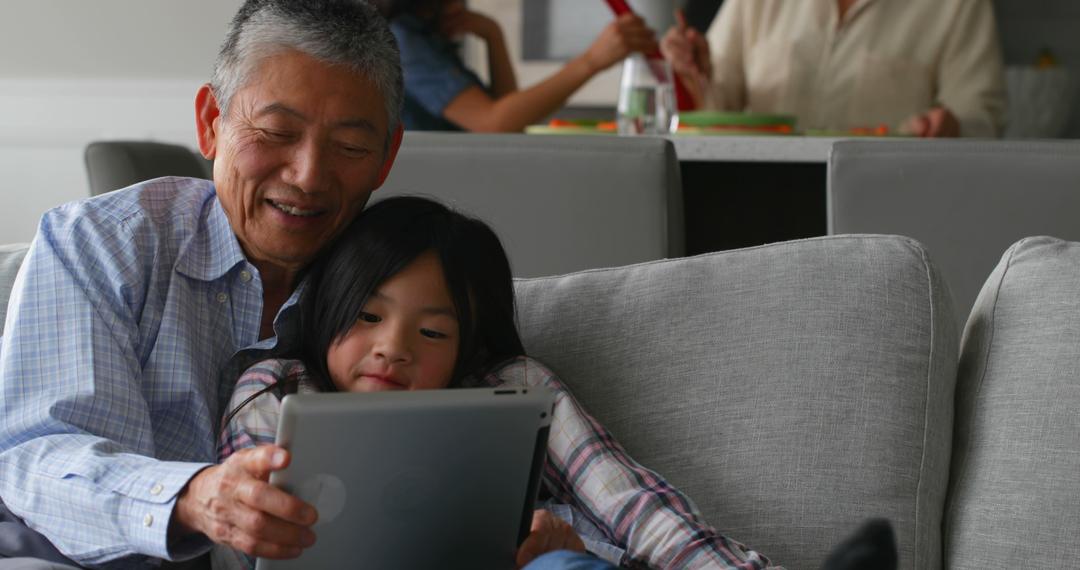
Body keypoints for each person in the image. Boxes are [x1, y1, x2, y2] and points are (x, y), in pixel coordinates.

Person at [0, 0, 405, 567]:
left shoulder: (404, 283)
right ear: (211, 123)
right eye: (277, 132)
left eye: (350, 148)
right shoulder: (98, 242)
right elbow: (40, 453)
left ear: (387, 157)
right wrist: (191, 499)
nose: (309, 175)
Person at [211, 196, 776, 570]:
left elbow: (633, 504)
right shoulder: (277, 391)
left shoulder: (514, 387)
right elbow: (253, 543)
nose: (394, 348)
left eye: (432, 332)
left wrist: (571, 546)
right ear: (325, 307)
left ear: (467, 344)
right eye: (367, 316)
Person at [660, 0, 1007, 137]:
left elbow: (982, 117)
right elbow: (720, 105)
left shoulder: (957, 5)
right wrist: (698, 75)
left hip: (884, 218)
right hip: (758, 210)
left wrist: (952, 128)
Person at [371, 0, 658, 132]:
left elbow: (509, 117)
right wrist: (591, 61)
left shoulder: (425, 36)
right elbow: (494, 123)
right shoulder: (406, 41)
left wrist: (493, 35)